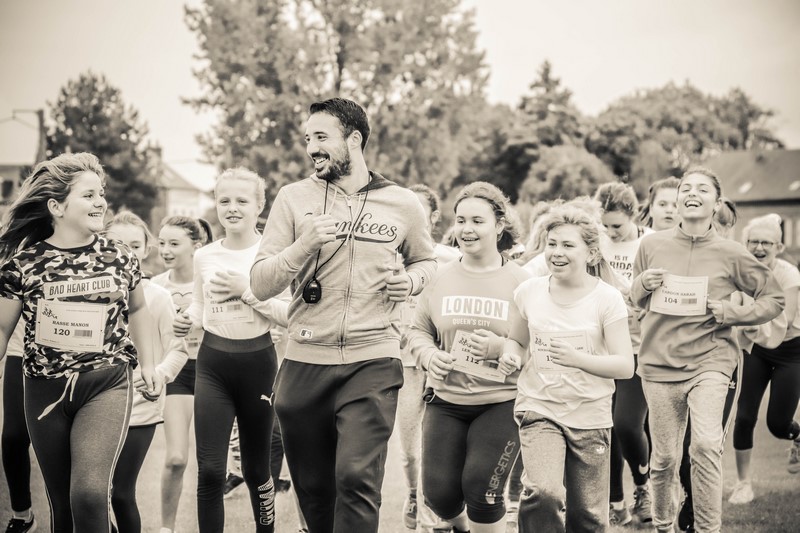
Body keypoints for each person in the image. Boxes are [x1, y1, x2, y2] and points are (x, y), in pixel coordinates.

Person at [249, 97, 437, 532]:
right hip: (304, 361)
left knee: (356, 477)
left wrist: (409, 282)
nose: (311, 148)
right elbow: (260, 283)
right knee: (315, 492)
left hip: (373, 357)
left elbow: (425, 261)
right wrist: (303, 245)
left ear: (354, 139)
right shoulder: (293, 198)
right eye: (307, 139)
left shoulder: (403, 202)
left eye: (321, 137)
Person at [0, 152, 161, 532]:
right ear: (56, 206)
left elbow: (138, 309)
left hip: (106, 383)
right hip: (44, 389)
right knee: (63, 506)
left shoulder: (120, 257)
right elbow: (2, 330)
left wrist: (150, 363)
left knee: (88, 494)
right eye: (89, 195)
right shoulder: (22, 266)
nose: (100, 202)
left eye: (101, 193)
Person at [632, 167, 784, 533]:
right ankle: (664, 526)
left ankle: (707, 529)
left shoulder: (732, 252)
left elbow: (774, 299)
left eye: (702, 189)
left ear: (716, 203)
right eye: (686, 188)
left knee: (704, 445)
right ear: (678, 199)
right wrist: (643, 284)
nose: (692, 193)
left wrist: (732, 313)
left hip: (711, 361)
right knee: (665, 458)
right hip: (659, 364)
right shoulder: (651, 245)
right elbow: (635, 299)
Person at [499, 205, 634, 532]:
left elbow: (625, 365)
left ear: (591, 254)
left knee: (588, 517)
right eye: (552, 244)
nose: (557, 252)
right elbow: (515, 341)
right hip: (539, 408)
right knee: (543, 492)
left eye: (567, 245)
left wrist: (578, 359)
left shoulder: (607, 299)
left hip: (590, 416)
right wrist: (511, 355)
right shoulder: (529, 292)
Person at [407, 182, 529, 533]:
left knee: (481, 490)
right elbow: (417, 330)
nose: (466, 229)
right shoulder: (439, 276)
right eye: (460, 221)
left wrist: (501, 349)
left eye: (477, 221)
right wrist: (429, 355)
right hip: (446, 401)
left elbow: (538, 342)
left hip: (501, 402)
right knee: (438, 496)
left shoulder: (523, 282)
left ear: (499, 225)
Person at [173, 167, 289, 532]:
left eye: (242, 201)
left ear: (259, 206)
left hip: (259, 364)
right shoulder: (204, 256)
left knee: (257, 469)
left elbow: (288, 314)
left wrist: (247, 291)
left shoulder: (273, 256)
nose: (232, 208)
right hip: (213, 365)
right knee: (210, 470)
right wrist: (186, 320)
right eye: (224, 201)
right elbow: (199, 306)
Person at [106, 211, 189, 533]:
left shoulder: (158, 297)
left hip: (139, 409)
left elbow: (178, 350)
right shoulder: (88, 293)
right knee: (89, 494)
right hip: (91, 404)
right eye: (116, 243)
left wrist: (157, 374)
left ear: (145, 250)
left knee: (121, 494)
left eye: (134, 245)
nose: (125, 251)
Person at [397, 184, 459, 531]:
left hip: (441, 363)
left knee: (435, 448)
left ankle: (431, 518)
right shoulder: (387, 258)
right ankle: (412, 492)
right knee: (409, 452)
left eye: (418, 210)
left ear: (434, 217)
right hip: (404, 364)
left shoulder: (451, 260)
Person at [729, 214, 800, 503]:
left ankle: (797, 436)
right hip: (756, 348)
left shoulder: (788, 274)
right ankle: (743, 484)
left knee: (778, 424)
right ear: (744, 244)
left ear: (778, 247)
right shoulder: (740, 272)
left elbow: (787, 317)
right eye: (753, 241)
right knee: (744, 416)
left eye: (766, 243)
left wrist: (746, 318)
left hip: (790, 350)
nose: (759, 247)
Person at [594, 182, 653, 526]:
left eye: (616, 225)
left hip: (640, 348)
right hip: (603, 348)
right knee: (605, 429)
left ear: (633, 214)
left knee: (627, 424)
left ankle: (643, 486)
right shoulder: (597, 243)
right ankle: (615, 504)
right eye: (605, 225)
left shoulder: (650, 242)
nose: (611, 232)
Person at [153, 216, 208, 533]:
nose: (165, 250)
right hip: (178, 373)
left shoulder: (210, 282)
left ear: (196, 247)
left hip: (213, 369)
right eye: (162, 242)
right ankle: (166, 528)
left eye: (174, 243)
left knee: (211, 465)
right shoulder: (156, 286)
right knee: (175, 458)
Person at [2, 319, 35, 533]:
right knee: (13, 437)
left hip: (77, 354)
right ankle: (22, 516)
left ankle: (93, 514)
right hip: (20, 350)